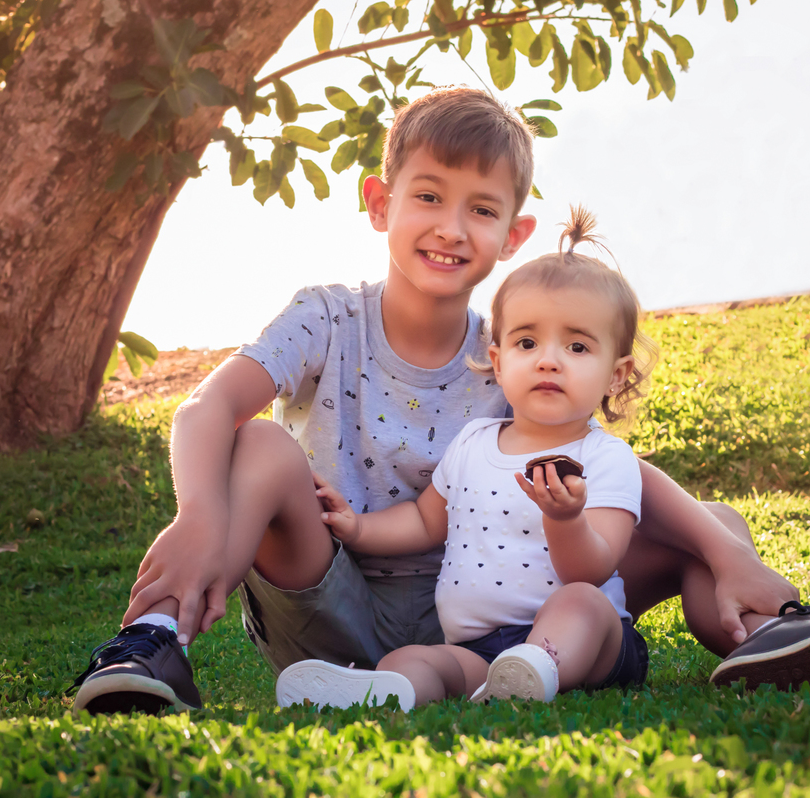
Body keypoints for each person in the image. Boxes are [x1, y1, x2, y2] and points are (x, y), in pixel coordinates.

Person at [68, 87, 810, 716]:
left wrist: (723, 549)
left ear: (513, 233)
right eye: (428, 197)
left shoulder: (516, 347)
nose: (451, 227)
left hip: (491, 604)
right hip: (333, 601)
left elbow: (617, 470)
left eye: (480, 209)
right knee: (256, 448)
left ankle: (762, 629)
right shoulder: (326, 318)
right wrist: (192, 516)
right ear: (380, 203)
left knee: (704, 526)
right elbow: (201, 412)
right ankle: (154, 643)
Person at [275, 207, 655, 710]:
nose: (548, 359)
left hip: (590, 640)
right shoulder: (474, 441)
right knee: (419, 657)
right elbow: (424, 520)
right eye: (526, 341)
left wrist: (565, 518)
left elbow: (592, 569)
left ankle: (539, 669)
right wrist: (358, 528)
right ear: (497, 362)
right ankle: (382, 690)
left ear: (616, 373)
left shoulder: (605, 458)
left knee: (579, 604)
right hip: (477, 647)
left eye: (579, 347)